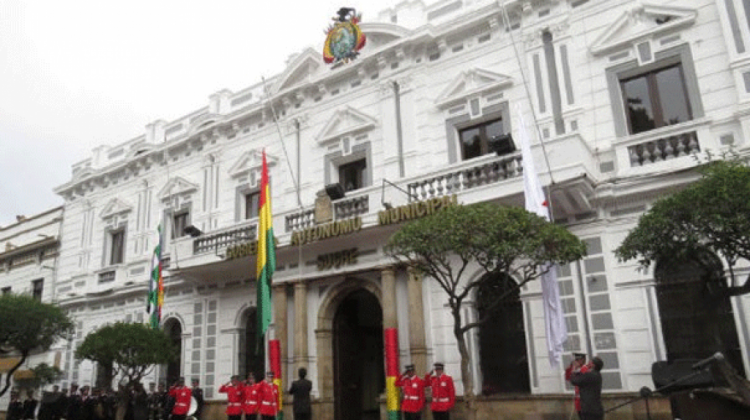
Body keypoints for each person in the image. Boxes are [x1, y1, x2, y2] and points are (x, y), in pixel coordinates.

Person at [565, 353, 589, 419]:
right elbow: (568, 378)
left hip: (584, 400)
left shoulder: (584, 369)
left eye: (578, 360)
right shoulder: (577, 369)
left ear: (582, 360)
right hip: (579, 400)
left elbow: (576, 380)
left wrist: (574, 370)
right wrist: (570, 368)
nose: (576, 362)